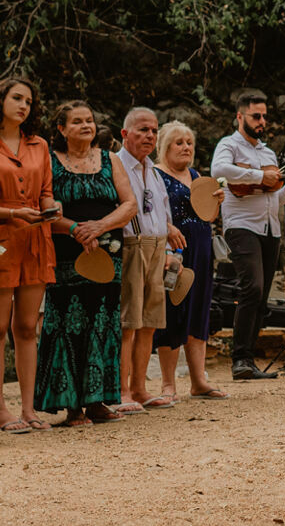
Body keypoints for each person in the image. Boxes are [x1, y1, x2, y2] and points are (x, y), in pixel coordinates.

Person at [0, 76, 57, 434]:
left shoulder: (40, 145)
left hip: (36, 240)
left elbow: (46, 191)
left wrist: (50, 207)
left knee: (28, 328)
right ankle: (1, 409)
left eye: (29, 101)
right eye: (16, 98)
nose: (23, 106)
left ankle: (30, 409)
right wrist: (14, 213)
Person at [36, 101, 138, 426]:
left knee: (104, 322)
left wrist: (100, 226)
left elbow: (130, 204)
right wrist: (77, 229)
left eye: (90, 121)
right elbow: (46, 210)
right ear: (61, 129)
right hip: (66, 253)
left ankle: (98, 402)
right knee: (68, 322)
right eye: (77, 121)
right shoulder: (50, 162)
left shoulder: (110, 160)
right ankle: (72, 407)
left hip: (107, 251)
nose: (86, 126)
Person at [210, 90, 285, 381]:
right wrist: (258, 176)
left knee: (262, 296)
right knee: (251, 288)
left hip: (270, 228)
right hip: (242, 225)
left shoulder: (268, 153)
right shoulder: (229, 145)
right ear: (240, 116)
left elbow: (273, 197)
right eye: (256, 116)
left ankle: (248, 360)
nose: (262, 121)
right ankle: (239, 358)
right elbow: (218, 170)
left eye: (265, 116)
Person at [115, 107, 183, 411]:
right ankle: (122, 391)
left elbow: (161, 211)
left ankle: (141, 389)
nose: (150, 136)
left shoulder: (152, 171)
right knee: (128, 322)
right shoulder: (115, 165)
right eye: (143, 130)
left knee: (149, 324)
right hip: (130, 245)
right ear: (125, 134)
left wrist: (168, 248)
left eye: (154, 131)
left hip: (156, 247)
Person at [155, 122, 224, 400]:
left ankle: (198, 381)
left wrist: (216, 202)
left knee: (199, 310)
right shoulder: (156, 175)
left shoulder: (196, 175)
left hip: (202, 249)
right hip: (174, 251)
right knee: (174, 311)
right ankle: (168, 384)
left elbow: (208, 216)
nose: (186, 147)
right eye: (179, 143)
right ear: (165, 147)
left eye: (189, 142)